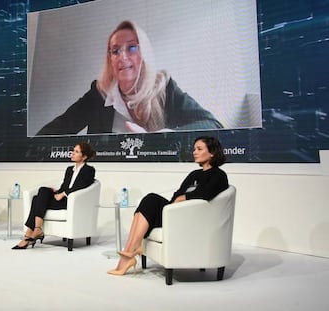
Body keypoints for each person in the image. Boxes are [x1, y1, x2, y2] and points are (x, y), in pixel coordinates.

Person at [36, 20, 222, 136]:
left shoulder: (165, 87)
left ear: (145, 53)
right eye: (115, 51)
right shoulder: (99, 93)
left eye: (132, 47)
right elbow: (59, 127)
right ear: (110, 59)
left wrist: (162, 137)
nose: (122, 56)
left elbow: (213, 125)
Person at [107, 136, 229, 275]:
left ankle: (129, 254)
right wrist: (175, 202)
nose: (194, 152)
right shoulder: (195, 174)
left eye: (199, 149)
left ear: (212, 152)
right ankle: (129, 252)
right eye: (194, 149)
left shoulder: (219, 175)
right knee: (150, 199)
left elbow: (205, 194)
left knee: (151, 201)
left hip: (190, 218)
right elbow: (178, 193)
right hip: (174, 213)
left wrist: (182, 199)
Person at [12, 142, 96, 249]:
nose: (72, 153)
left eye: (76, 151)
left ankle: (29, 234)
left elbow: (83, 185)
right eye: (73, 150)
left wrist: (64, 194)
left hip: (72, 202)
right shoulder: (69, 169)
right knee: (41, 192)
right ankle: (37, 229)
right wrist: (57, 191)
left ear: (84, 156)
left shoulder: (89, 170)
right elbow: (65, 186)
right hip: (61, 198)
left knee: (37, 199)